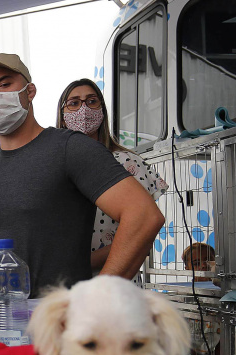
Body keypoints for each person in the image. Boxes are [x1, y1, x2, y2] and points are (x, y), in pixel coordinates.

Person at [0, 53, 164, 292]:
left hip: (61, 321)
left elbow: (144, 216)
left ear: (29, 92)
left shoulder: (70, 148)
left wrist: (96, 298)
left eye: (4, 84)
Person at [55, 78, 169, 280]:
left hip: (117, 281)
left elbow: (143, 231)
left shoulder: (127, 162)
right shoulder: (53, 165)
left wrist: (82, 263)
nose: (84, 109)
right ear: (62, 116)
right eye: (74, 103)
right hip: (64, 283)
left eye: (91, 101)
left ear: (102, 110)